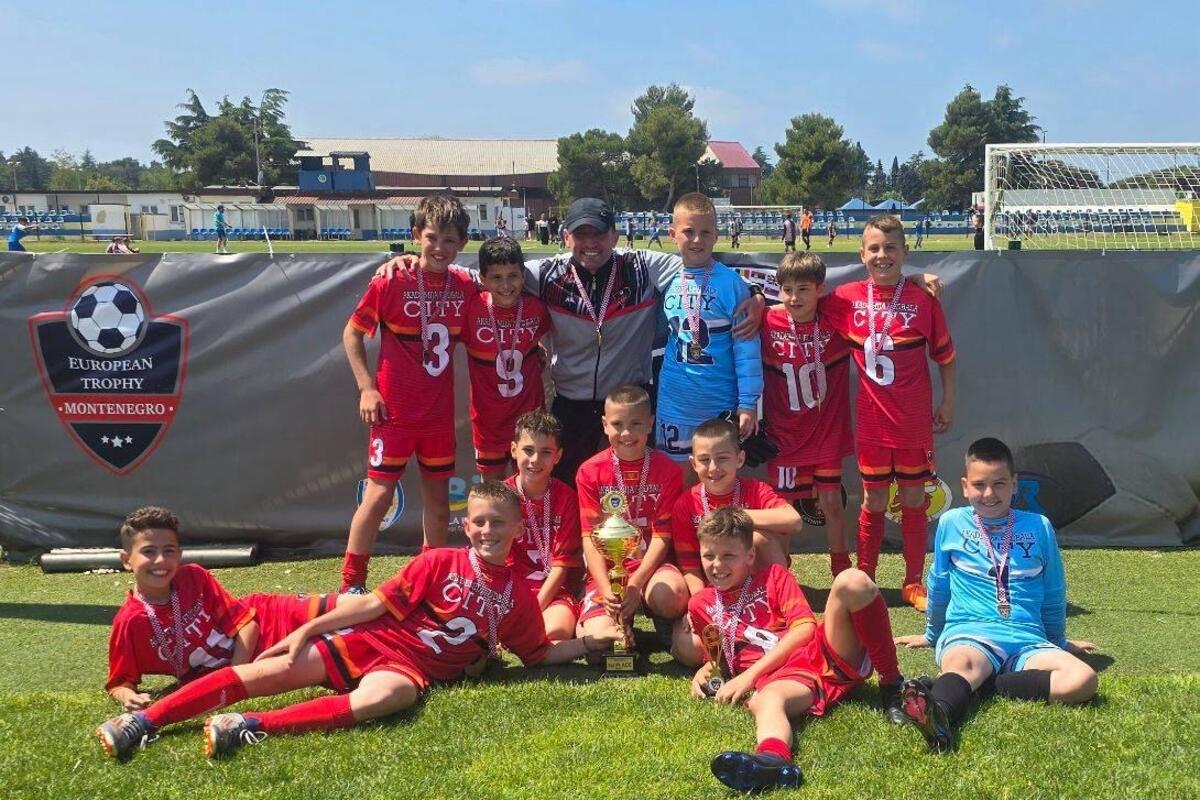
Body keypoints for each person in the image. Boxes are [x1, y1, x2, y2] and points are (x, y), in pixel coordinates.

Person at [95, 482, 614, 760]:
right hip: (371, 639)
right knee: (270, 671)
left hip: (409, 670)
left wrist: (592, 642)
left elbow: (539, 654)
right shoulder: (439, 561)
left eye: (498, 523)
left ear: (518, 528)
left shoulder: (519, 598)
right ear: (465, 524)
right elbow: (372, 605)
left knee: (389, 698)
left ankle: (250, 726)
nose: (486, 531)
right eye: (478, 521)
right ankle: (145, 721)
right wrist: (306, 630)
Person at [377, 197, 766, 483]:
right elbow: (491, 274)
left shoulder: (643, 265)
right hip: (571, 402)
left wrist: (756, 294)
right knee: (564, 486)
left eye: (599, 234)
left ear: (615, 235)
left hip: (628, 400)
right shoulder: (545, 273)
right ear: (566, 237)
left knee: (634, 486)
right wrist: (415, 262)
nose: (590, 243)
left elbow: (703, 267)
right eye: (581, 235)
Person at [895, 437, 1099, 753]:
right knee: (963, 663)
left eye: (999, 484)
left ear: (1014, 484)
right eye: (979, 485)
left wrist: (1058, 642)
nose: (989, 494)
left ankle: (973, 687)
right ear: (965, 487)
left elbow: (1053, 593)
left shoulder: (1039, 526)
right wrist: (933, 635)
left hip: (1027, 640)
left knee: (1082, 679)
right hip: (971, 634)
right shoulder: (952, 523)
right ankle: (939, 717)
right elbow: (939, 585)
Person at [689, 507, 907, 793]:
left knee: (852, 580)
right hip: (784, 680)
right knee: (767, 700)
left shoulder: (773, 576)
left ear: (750, 556)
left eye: (728, 555)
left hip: (818, 651)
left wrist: (748, 677)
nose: (717, 565)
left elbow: (804, 629)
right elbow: (719, 657)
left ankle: (892, 685)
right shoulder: (700, 604)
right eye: (709, 556)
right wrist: (705, 669)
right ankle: (773, 761)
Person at [340, 194, 477, 592]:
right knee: (378, 497)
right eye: (432, 237)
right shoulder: (391, 279)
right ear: (416, 235)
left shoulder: (465, 285)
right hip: (394, 414)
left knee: (439, 505)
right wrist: (367, 388)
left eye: (449, 241)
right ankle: (352, 583)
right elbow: (352, 334)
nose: (440, 248)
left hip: (437, 416)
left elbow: (503, 287)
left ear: (462, 243)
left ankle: (428, 581)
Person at [822, 215, 956, 611]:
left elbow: (946, 358)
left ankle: (913, 581)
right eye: (875, 248)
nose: (882, 255)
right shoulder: (845, 298)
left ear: (905, 252)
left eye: (891, 248)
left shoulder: (923, 300)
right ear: (861, 254)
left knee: (913, 498)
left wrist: (948, 401)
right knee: (874, 498)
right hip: (872, 423)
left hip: (912, 422)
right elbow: (803, 303)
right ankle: (866, 576)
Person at [105, 506, 338, 711]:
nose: (160, 560)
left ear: (179, 554)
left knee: (349, 609)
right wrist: (128, 696)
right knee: (342, 651)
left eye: (169, 551)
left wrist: (235, 678)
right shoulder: (130, 621)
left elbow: (248, 626)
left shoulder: (193, 578)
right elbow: (119, 682)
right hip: (264, 660)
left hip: (272, 617)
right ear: (126, 560)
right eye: (148, 551)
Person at [760, 253, 855, 577]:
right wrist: (758, 301)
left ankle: (841, 569)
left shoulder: (835, 321)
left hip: (826, 432)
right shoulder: (766, 320)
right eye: (787, 290)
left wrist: (915, 279)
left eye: (803, 289)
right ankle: (781, 574)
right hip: (784, 436)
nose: (794, 298)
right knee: (783, 510)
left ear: (819, 290)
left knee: (831, 502)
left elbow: (871, 296)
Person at [575, 385, 687, 655]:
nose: (626, 433)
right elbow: (589, 537)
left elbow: (662, 536)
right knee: (597, 642)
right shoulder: (589, 472)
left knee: (670, 595)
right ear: (605, 425)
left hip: (651, 568)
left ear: (650, 424)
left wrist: (635, 584)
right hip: (608, 570)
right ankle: (610, 619)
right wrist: (605, 588)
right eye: (617, 424)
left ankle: (663, 619)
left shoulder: (669, 471)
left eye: (636, 424)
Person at [656, 192, 762, 474]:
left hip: (718, 401)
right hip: (674, 402)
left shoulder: (731, 283)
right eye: (688, 232)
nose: (697, 240)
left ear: (717, 235)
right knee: (678, 481)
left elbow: (747, 351)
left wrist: (748, 404)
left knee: (718, 480)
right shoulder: (664, 275)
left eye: (705, 232)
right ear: (672, 234)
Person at [672, 417, 801, 596]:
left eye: (722, 458)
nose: (713, 468)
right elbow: (689, 565)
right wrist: (701, 601)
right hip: (711, 588)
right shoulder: (686, 504)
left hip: (752, 586)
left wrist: (733, 515)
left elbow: (794, 521)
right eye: (704, 460)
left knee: (760, 540)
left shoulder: (755, 490)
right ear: (694, 463)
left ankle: (780, 600)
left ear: (740, 459)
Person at [463, 237, 550, 478]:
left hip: (530, 416)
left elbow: (541, 335)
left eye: (513, 276)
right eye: (496, 277)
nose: (505, 285)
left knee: (532, 487)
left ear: (523, 275)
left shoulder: (536, 308)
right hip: (488, 421)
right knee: (492, 491)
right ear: (483, 279)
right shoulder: (472, 308)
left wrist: (537, 347)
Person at [504, 410, 583, 641]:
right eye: (528, 450)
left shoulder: (567, 498)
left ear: (558, 456)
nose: (535, 460)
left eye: (545, 452)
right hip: (510, 590)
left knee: (556, 632)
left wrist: (533, 610)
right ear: (513, 450)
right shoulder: (501, 497)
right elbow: (495, 559)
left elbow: (562, 565)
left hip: (555, 590)